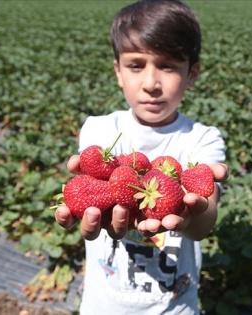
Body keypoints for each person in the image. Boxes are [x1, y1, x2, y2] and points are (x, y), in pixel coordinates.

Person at [54, 0, 228, 314]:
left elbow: (204, 220)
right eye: (136, 65)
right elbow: (98, 188)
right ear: (118, 71)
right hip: (102, 304)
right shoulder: (99, 129)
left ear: (192, 74)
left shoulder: (203, 139)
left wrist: (193, 213)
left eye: (168, 65)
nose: (151, 84)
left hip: (175, 306)